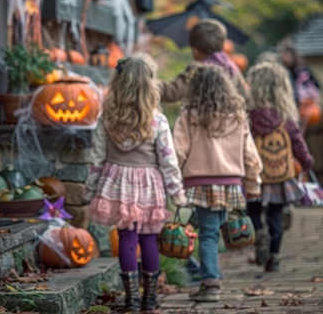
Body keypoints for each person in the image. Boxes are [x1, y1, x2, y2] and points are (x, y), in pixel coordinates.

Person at [82, 53, 187, 313]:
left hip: (116, 183)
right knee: (149, 238)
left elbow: (96, 157)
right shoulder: (158, 121)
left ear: (119, 83)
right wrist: (178, 194)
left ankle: (130, 298)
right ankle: (149, 299)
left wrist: (89, 190)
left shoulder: (108, 117)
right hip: (150, 183)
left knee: (126, 236)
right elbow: (168, 162)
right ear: (150, 85)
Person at [172, 66, 262, 302]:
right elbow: (250, 154)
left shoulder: (189, 115)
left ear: (196, 90)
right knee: (214, 228)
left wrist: (173, 179)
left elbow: (178, 151)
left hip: (201, 183)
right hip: (230, 183)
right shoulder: (237, 115)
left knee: (209, 234)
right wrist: (253, 186)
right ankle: (212, 271)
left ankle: (211, 282)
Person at [246, 61, 314, 272]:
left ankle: (259, 233)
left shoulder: (248, 117)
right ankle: (273, 257)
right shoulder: (286, 119)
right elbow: (298, 144)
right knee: (276, 213)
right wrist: (307, 162)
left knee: (253, 209)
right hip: (280, 175)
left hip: (256, 175)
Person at [158, 18, 247, 103]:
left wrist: (150, 85)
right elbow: (244, 95)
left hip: (204, 117)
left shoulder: (197, 68)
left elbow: (173, 92)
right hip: (231, 117)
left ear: (195, 51)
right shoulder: (231, 66)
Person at [277, 38, 321, 108]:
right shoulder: (282, 70)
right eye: (282, 55)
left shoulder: (302, 70)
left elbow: (316, 86)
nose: (284, 58)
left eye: (286, 55)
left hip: (304, 107)